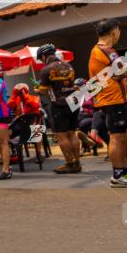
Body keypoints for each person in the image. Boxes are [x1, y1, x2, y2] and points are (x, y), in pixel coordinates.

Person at [88, 18, 127, 187]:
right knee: (116, 137)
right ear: (114, 31)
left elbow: (120, 72)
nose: (119, 34)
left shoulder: (101, 50)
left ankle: (125, 170)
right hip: (112, 99)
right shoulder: (106, 50)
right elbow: (125, 70)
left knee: (124, 134)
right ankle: (117, 176)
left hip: (116, 98)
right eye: (119, 31)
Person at [35, 44, 82, 173]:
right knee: (72, 133)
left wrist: (37, 89)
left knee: (62, 136)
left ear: (44, 56)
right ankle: (77, 163)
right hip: (74, 102)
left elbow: (44, 91)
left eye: (40, 58)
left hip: (59, 104)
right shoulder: (68, 66)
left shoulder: (46, 70)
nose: (41, 60)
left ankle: (69, 163)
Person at [8, 83, 44, 163]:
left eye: (22, 90)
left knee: (37, 128)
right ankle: (14, 154)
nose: (20, 92)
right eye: (19, 91)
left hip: (32, 124)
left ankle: (39, 154)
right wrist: (14, 95)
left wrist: (24, 96)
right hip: (20, 125)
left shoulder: (33, 97)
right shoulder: (16, 100)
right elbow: (9, 105)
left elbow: (34, 105)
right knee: (6, 132)